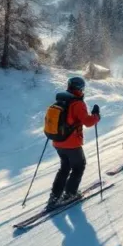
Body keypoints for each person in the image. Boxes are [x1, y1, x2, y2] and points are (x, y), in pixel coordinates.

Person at [48, 77, 101, 209]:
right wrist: (96, 116)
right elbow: (88, 122)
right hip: (71, 143)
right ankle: (70, 194)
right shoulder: (77, 103)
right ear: (80, 89)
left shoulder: (61, 100)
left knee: (64, 168)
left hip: (57, 141)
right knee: (79, 166)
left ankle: (54, 196)